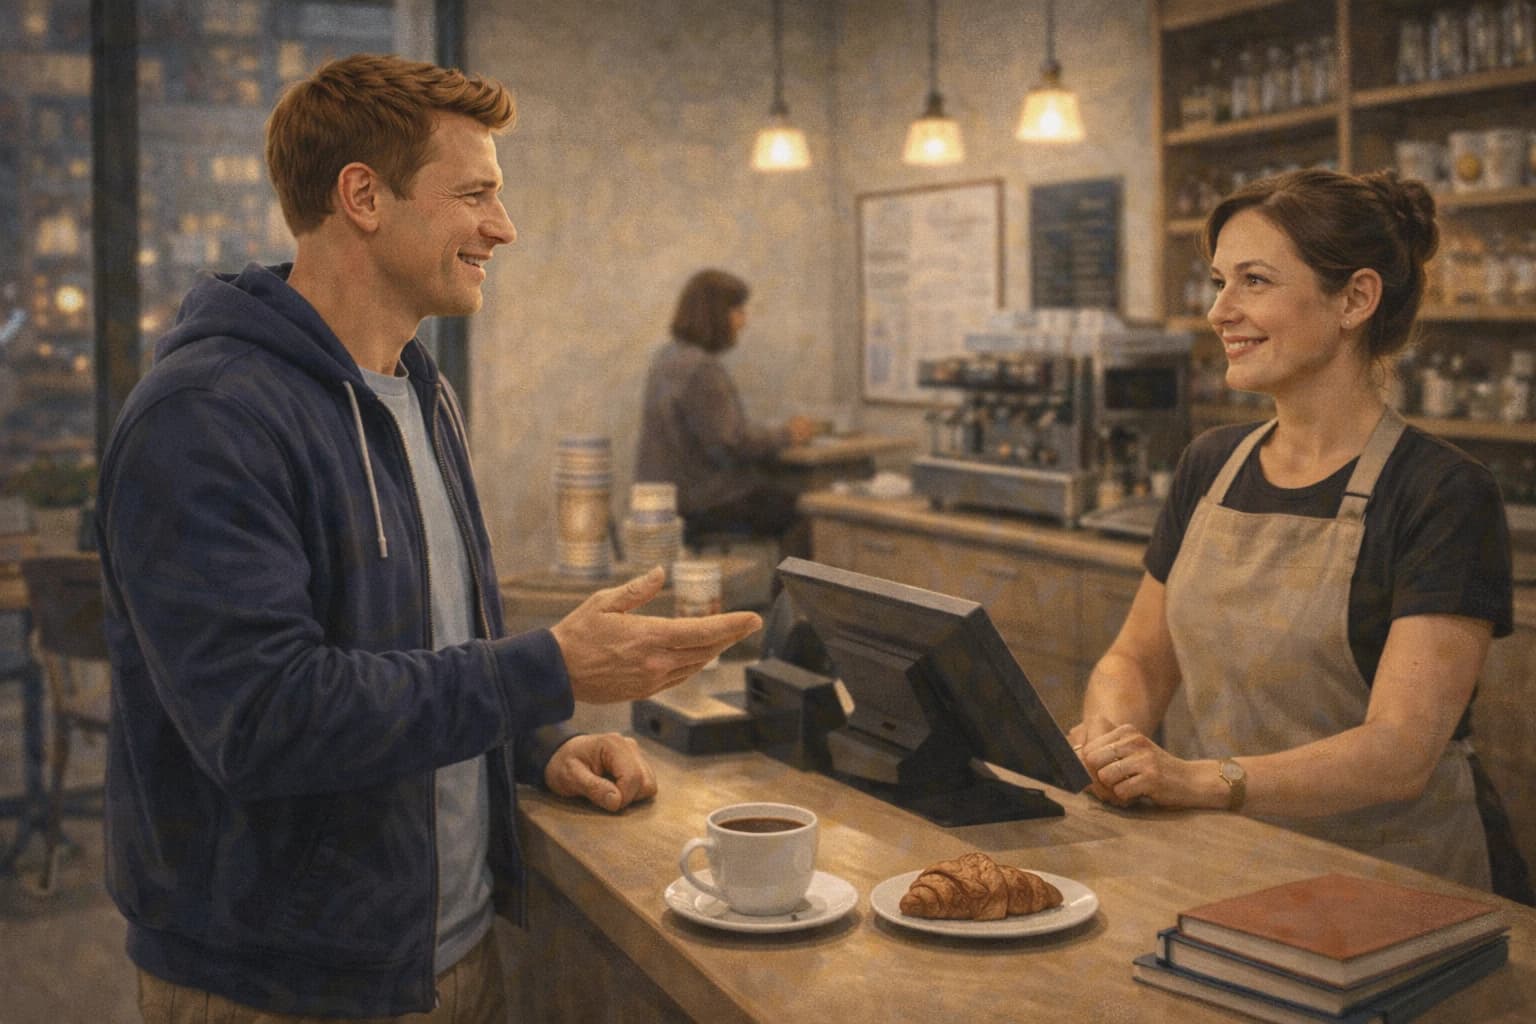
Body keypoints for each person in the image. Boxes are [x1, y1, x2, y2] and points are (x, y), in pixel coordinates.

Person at [95, 54, 761, 1023]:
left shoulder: (421, 390)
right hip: (278, 987)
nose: (504, 226)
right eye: (476, 193)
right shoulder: (203, 419)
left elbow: (428, 647)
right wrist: (545, 671)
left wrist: (536, 743)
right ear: (362, 195)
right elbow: (265, 719)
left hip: (449, 954)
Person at [1070, 168, 1525, 898]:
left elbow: (1401, 750)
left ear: (1355, 299)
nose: (1220, 311)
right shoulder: (1210, 464)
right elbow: (1137, 660)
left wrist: (1197, 779)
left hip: (1394, 885)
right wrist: (1112, 742)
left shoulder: (1441, 492)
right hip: (1220, 860)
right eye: (1219, 281)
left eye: (1254, 281)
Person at [636, 268, 817, 553]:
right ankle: (789, 598)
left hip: (668, 500)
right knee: (810, 512)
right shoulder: (701, 369)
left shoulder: (667, 358)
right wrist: (788, 434)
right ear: (717, 315)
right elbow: (731, 442)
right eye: (738, 310)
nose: (743, 321)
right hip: (701, 504)